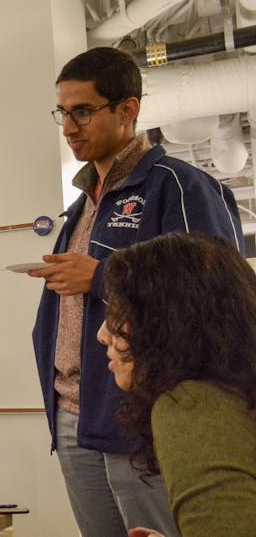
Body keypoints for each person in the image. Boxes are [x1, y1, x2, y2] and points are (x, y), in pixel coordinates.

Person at [28, 47, 243, 537]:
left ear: (128, 110)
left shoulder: (180, 187)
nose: (68, 127)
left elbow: (215, 298)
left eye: (83, 111)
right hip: (72, 413)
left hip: (142, 417)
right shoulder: (80, 206)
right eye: (63, 113)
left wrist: (100, 276)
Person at [97, 233, 256, 537]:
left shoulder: (192, 406)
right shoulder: (236, 392)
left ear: (168, 326)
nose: (103, 335)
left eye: (120, 315)